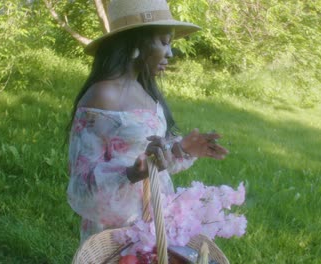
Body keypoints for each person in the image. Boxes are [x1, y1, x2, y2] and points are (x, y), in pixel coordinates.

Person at [67, 0, 229, 244]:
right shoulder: (102, 97)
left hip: (154, 220)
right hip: (115, 231)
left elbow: (151, 159)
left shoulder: (145, 91)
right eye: (164, 42)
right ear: (136, 43)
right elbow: (80, 183)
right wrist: (131, 173)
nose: (170, 53)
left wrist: (180, 150)